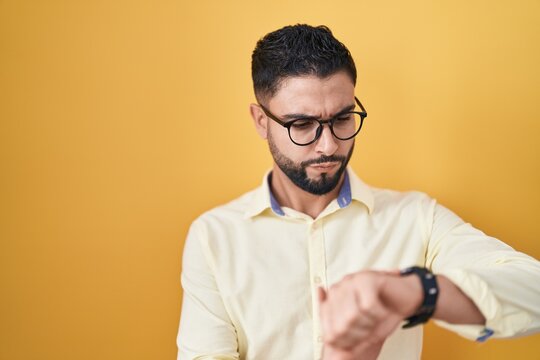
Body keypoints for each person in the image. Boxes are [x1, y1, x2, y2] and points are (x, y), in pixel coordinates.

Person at [176, 24, 540, 360]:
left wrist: (416, 291)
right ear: (260, 121)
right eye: (302, 124)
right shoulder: (214, 237)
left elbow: (533, 290)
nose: (328, 145)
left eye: (342, 118)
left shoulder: (415, 217)